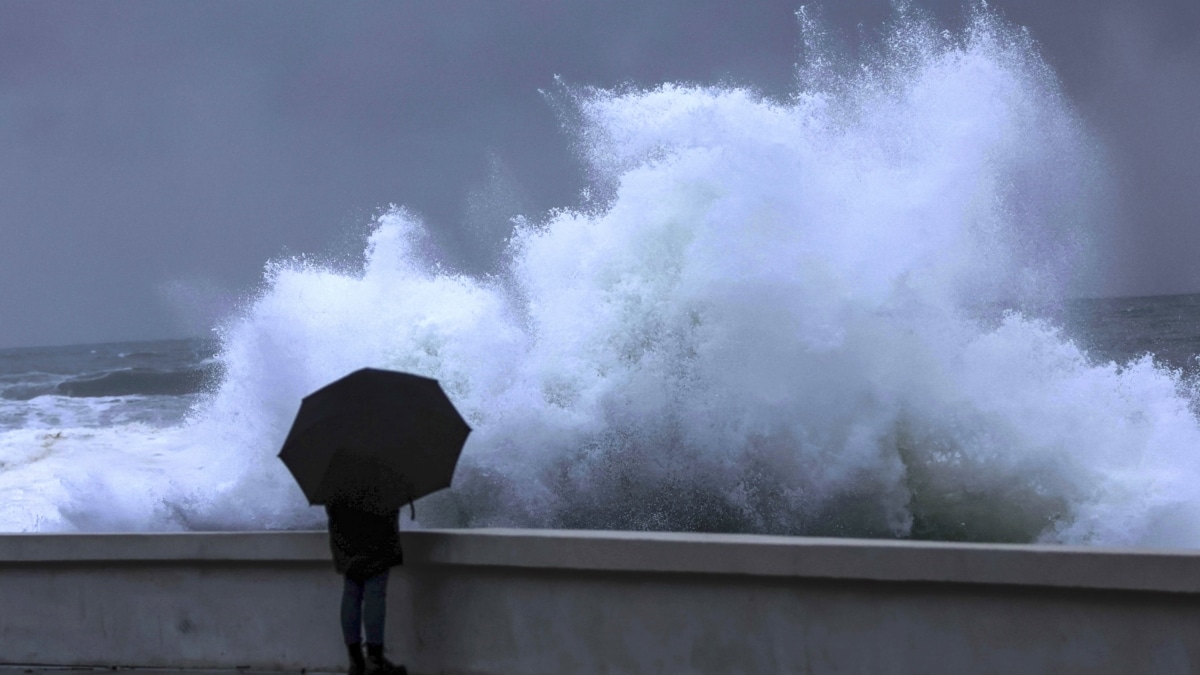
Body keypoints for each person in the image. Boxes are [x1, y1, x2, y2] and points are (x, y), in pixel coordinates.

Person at [326, 497, 407, 675]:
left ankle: (356, 662)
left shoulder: (336, 476)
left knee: (351, 593)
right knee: (375, 594)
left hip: (344, 530)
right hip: (376, 533)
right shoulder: (380, 475)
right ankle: (375, 661)